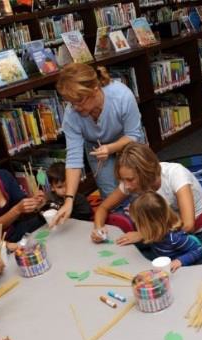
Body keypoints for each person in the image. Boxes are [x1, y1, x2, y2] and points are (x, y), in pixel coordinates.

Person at [90, 142, 202, 263]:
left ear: (146, 171)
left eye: (130, 180)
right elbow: (103, 208)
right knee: (134, 258)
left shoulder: (175, 174)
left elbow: (188, 226)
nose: (127, 186)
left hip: (201, 227)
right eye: (123, 180)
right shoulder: (130, 183)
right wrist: (98, 229)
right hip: (161, 232)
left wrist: (143, 235)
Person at [53, 63, 145, 226]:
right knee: (111, 197)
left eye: (79, 101)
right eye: (71, 102)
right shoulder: (72, 114)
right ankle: (124, 231)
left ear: (95, 89)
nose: (76, 107)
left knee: (138, 189)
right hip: (96, 147)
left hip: (129, 143)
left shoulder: (122, 96)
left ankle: (147, 228)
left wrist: (110, 148)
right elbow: (74, 159)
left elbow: (133, 135)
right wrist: (69, 200)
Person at [128, 192, 202, 272]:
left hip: (181, 269)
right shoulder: (153, 233)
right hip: (162, 261)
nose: (136, 226)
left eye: (137, 223)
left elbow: (198, 250)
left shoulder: (174, 238)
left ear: (150, 224)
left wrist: (180, 261)